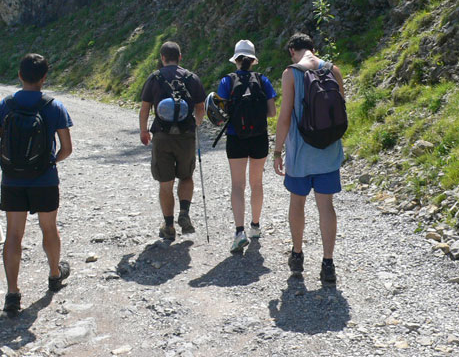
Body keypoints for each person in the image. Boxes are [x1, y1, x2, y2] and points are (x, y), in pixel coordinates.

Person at [0, 53, 73, 314]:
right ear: (45, 77)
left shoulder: (5, 106)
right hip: (45, 179)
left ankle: (12, 294)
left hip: (13, 181)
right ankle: (55, 275)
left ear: (20, 75)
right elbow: (67, 149)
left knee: (14, 235)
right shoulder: (54, 106)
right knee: (49, 228)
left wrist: (11, 161)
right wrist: (49, 162)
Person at [273, 33, 344, 283]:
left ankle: (298, 255)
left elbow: (284, 117)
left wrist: (277, 151)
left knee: (298, 203)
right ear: (313, 48)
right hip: (329, 152)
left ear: (292, 50)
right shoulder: (332, 70)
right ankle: (328, 264)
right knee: (326, 206)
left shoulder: (291, 73)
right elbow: (341, 109)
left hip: (300, 153)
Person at [139, 41, 206, 240]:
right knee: (186, 176)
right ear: (180, 57)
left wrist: (144, 131)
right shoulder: (191, 78)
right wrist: (196, 125)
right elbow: (200, 107)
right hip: (185, 135)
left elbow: (144, 109)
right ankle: (184, 213)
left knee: (165, 182)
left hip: (162, 135)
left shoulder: (155, 78)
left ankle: (168, 226)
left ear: (162, 58)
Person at [215, 40, 276, 253]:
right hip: (259, 137)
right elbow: (272, 113)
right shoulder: (263, 80)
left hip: (236, 137)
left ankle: (239, 232)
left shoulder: (226, 81)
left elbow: (220, 115)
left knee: (238, 185)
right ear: (252, 60)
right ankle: (255, 227)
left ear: (236, 59)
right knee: (256, 183)